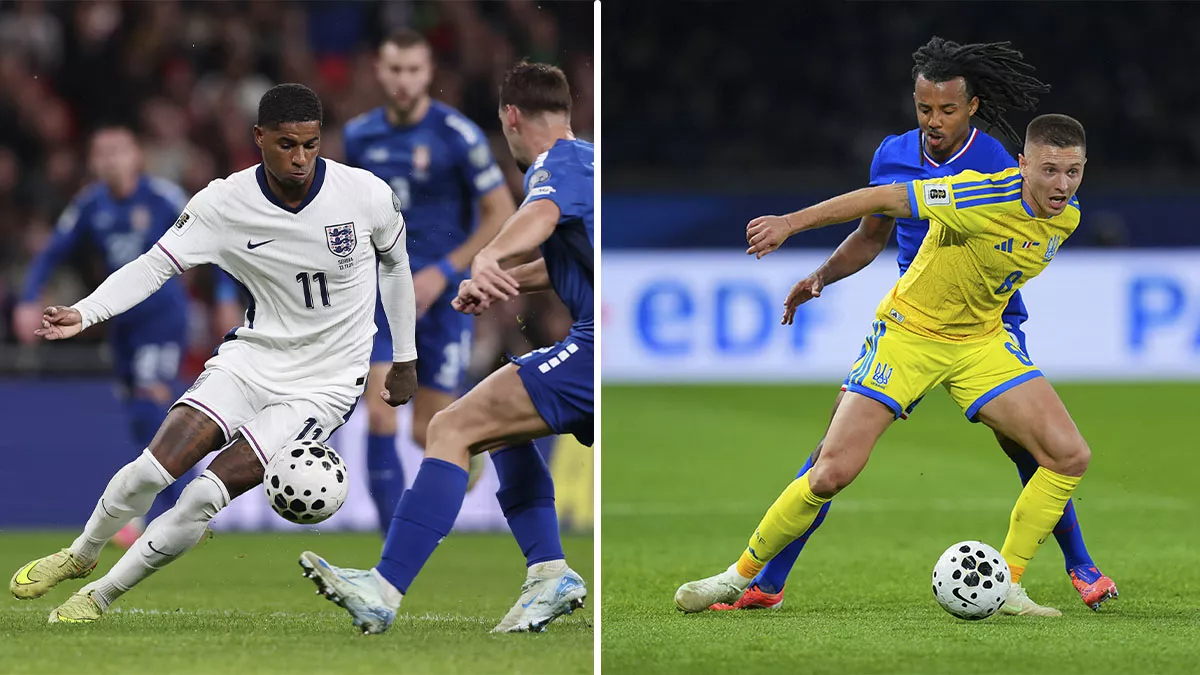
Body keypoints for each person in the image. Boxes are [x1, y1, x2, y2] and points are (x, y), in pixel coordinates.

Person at [713, 38, 1116, 616]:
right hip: (912, 318)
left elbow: (1018, 234)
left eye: (946, 110)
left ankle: (1075, 564)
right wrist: (823, 274)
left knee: (1033, 447)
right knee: (832, 454)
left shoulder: (1002, 168)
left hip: (988, 322)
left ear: (971, 106)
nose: (933, 121)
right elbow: (873, 232)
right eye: (924, 108)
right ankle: (765, 579)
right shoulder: (894, 154)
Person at [8, 83, 420, 623]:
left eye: (311, 145)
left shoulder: (365, 195)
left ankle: (100, 595)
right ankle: (81, 553)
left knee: (203, 497)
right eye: (286, 144)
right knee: (150, 471)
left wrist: (406, 356)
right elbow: (154, 265)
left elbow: (395, 266)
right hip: (250, 360)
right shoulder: (223, 204)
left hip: (324, 386)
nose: (300, 158)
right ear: (258, 138)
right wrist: (87, 312)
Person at [297, 61, 593, 636]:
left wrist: (490, 257)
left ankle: (382, 589)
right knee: (498, 431)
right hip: (594, 348)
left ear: (510, 116)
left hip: (593, 350)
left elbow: (538, 215)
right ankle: (548, 571)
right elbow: (568, 262)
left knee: (451, 428)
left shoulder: (557, 163)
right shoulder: (589, 161)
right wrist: (502, 279)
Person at [342, 29, 516, 532]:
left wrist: (443, 271)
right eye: (394, 70)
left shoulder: (456, 135)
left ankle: (476, 458)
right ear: (379, 70)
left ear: (429, 73)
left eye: (413, 70)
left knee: (430, 432)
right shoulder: (358, 136)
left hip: (445, 297)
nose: (403, 81)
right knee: (379, 412)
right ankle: (391, 543)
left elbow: (500, 211)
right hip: (379, 291)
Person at [14, 126, 193, 544]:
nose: (110, 159)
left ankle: (181, 511)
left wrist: (224, 292)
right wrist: (28, 298)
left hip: (162, 318)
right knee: (139, 417)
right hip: (120, 323)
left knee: (152, 405)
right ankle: (176, 510)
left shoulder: (163, 198)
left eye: (118, 151)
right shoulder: (90, 204)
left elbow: (214, 240)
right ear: (93, 162)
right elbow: (53, 251)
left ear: (136, 156)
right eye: (101, 152)